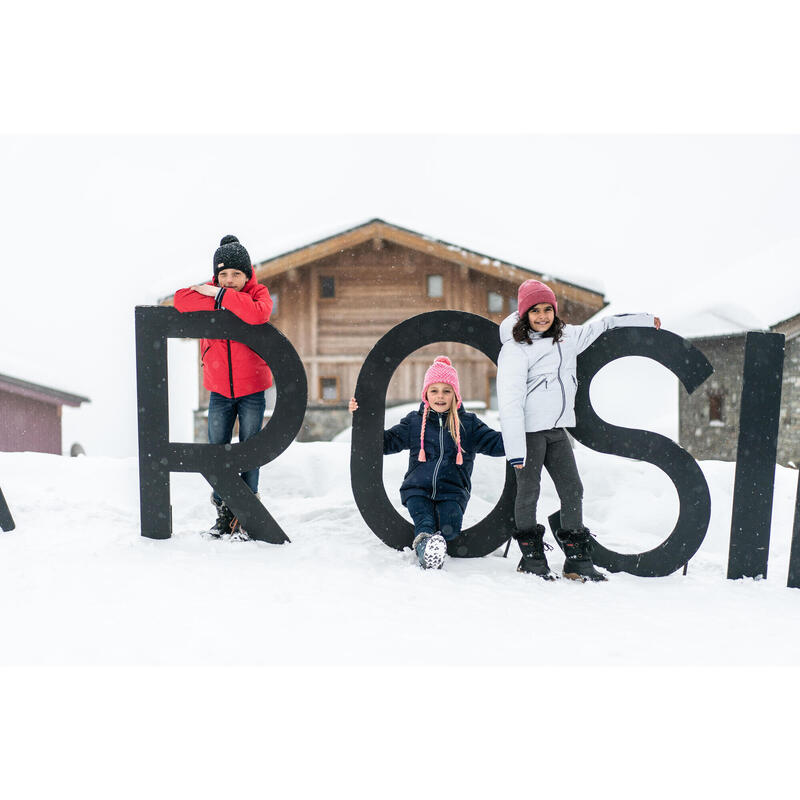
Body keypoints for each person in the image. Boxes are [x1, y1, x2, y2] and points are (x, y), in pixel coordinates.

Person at [497, 279, 661, 581]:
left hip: (558, 431)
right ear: (524, 315)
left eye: (548, 309)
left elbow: (606, 324)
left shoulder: (568, 337)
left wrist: (645, 321)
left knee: (573, 490)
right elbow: (509, 403)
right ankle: (532, 558)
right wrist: (516, 450)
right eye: (535, 311)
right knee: (529, 491)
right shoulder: (516, 350)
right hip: (529, 434)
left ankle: (576, 559)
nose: (543, 316)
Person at [349, 356, 504, 569]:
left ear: (455, 395)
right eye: (434, 390)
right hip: (417, 490)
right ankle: (426, 552)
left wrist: (520, 432)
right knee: (425, 521)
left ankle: (436, 544)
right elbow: (385, 443)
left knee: (450, 526)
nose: (440, 396)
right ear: (426, 395)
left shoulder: (469, 425)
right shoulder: (414, 422)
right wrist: (362, 417)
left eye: (446, 391)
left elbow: (496, 443)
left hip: (453, 492)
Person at [173, 234, 273, 540]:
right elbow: (180, 299)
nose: (229, 280)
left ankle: (247, 517)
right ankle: (226, 512)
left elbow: (259, 313)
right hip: (219, 389)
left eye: (236, 275)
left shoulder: (258, 293)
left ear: (248, 273)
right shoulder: (208, 290)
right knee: (216, 451)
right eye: (223, 275)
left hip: (252, 389)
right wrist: (213, 293)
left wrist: (219, 297)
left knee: (250, 449)